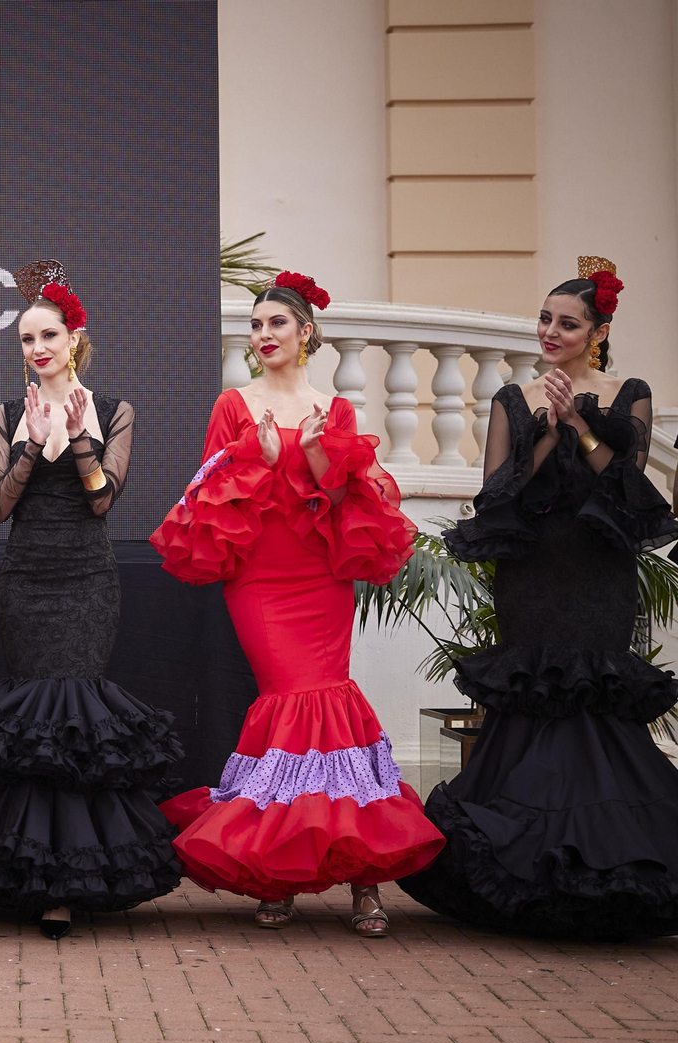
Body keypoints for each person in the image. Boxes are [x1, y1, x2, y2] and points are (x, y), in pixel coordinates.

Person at [150, 271, 443, 936]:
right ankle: (279, 867)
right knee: (287, 701)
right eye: (255, 327)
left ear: (306, 331)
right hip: (258, 576)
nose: (263, 336)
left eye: (275, 324)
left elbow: (352, 506)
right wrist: (262, 455)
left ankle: (365, 879)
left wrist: (314, 460)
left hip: (319, 576)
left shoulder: (333, 411)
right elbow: (203, 497)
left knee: (330, 699)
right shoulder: (233, 404)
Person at [398, 258, 678, 937]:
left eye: (568, 323)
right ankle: (523, 875)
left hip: (598, 573)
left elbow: (631, 494)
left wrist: (581, 428)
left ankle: (608, 872)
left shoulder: (627, 393)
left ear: (597, 331)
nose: (550, 331)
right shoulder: (512, 400)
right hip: (533, 573)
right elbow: (497, 498)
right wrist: (548, 428)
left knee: (592, 698)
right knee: (533, 699)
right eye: (546, 319)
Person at [0, 262, 181, 939]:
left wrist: (78, 438)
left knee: (74, 717)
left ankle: (71, 878)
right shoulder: (5, 413)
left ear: (74, 338)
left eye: (48, 335)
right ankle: (31, 875)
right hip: (24, 577)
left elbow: (104, 500)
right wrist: (25, 450)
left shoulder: (113, 410)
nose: (37, 348)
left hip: (87, 576)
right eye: (25, 339)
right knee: (32, 718)